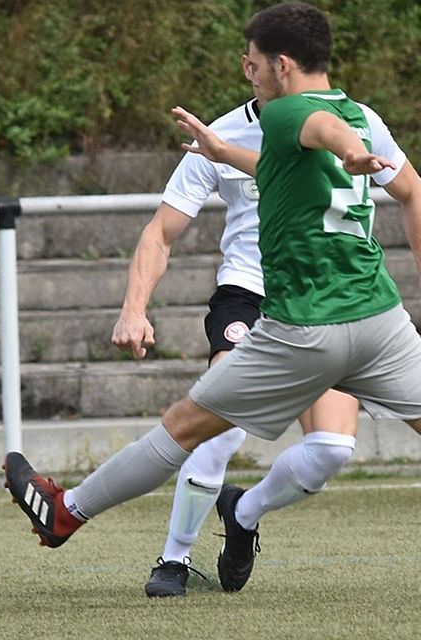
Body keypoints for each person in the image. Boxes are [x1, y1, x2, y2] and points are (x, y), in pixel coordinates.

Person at [4, 2, 421, 597]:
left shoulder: (291, 112)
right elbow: (296, 160)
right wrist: (229, 151)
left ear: (282, 65)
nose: (246, 72)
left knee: (185, 428)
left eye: (252, 61)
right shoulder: (354, 112)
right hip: (380, 320)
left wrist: (349, 150)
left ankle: (65, 514)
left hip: (304, 329)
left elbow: (317, 128)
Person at [111, 52, 377, 597]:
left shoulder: (354, 122)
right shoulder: (220, 136)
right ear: (250, 67)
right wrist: (134, 308)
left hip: (322, 297)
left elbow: (413, 192)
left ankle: (243, 512)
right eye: (257, 63)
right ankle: (174, 559)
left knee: (330, 449)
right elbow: (161, 231)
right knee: (222, 422)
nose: (270, 74)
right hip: (248, 294)